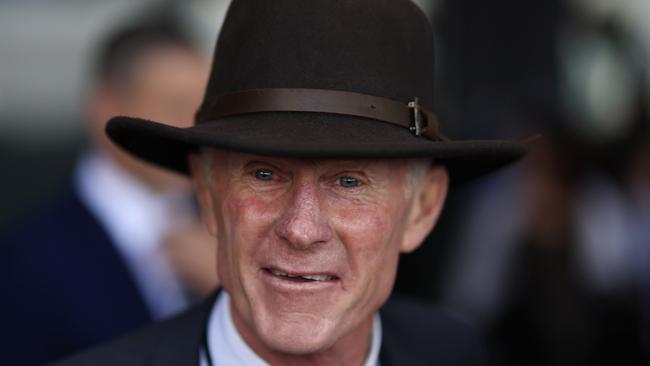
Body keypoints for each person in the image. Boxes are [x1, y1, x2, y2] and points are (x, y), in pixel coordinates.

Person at [50, 0, 528, 365]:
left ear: (422, 207)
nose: (301, 229)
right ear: (208, 191)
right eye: (264, 175)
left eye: (347, 182)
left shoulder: (453, 351)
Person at [0, 21, 216, 365]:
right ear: (106, 106)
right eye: (175, 105)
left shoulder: (223, 229)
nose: (193, 129)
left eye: (203, 110)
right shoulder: (25, 260)